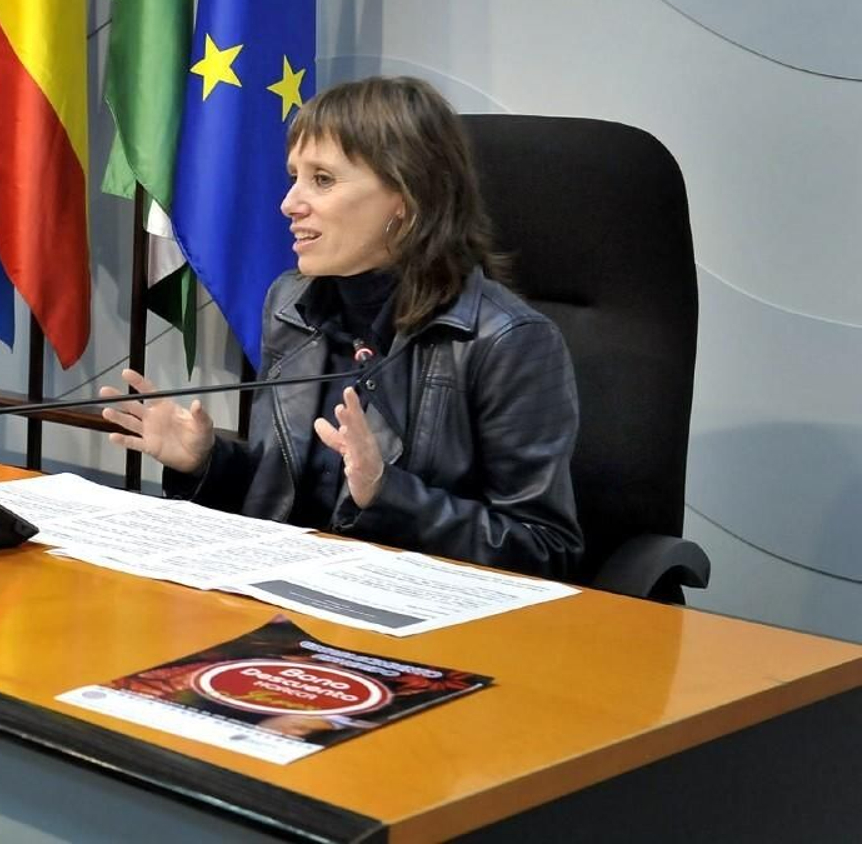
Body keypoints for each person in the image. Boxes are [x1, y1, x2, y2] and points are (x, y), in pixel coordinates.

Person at [102, 76, 583, 579]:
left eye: (323, 180)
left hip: (417, 619)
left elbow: (545, 550)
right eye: (294, 177)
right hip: (286, 594)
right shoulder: (290, 304)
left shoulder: (508, 341)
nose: (290, 203)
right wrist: (206, 463)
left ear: (406, 196)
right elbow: (290, 497)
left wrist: (386, 493)